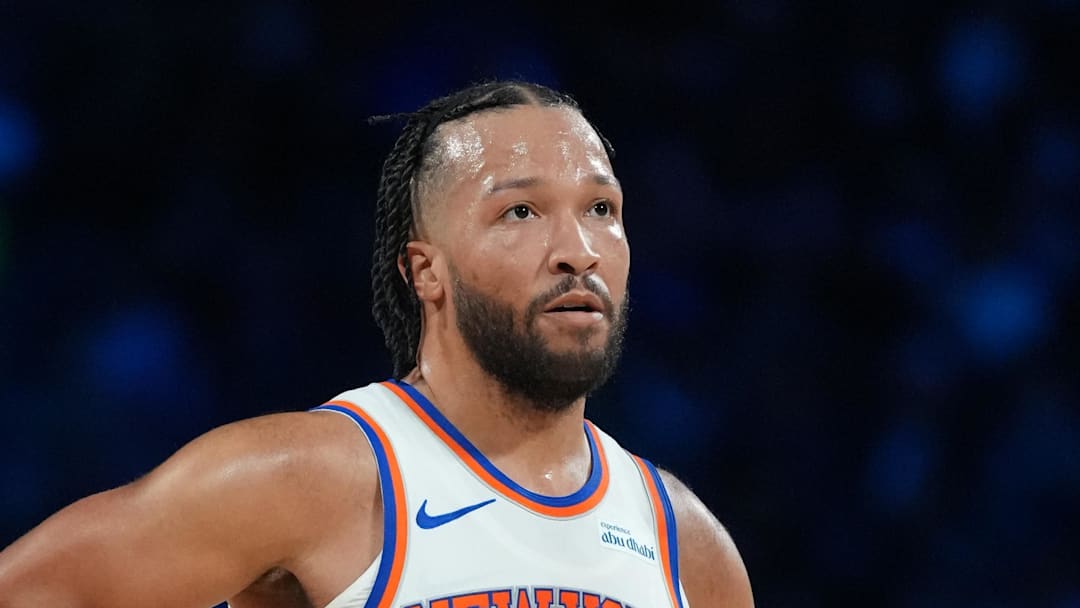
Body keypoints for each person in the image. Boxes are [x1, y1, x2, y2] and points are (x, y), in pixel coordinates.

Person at [0, 80, 753, 608]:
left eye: (601, 208)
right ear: (426, 271)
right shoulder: (310, 478)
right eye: (520, 211)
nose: (578, 249)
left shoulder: (688, 545)